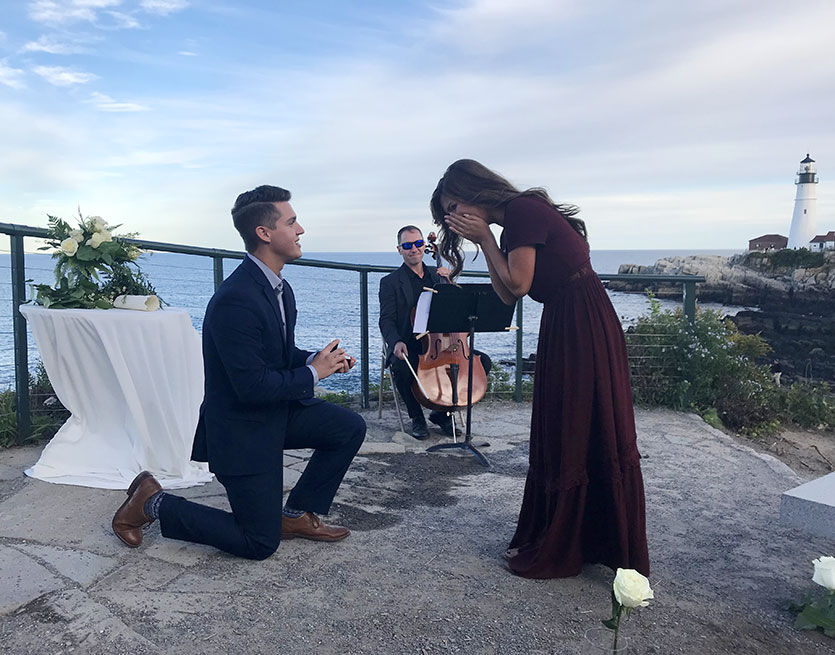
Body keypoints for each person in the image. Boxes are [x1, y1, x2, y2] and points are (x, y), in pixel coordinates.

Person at [112, 185, 366, 560]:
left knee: (348, 427)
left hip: (274, 413)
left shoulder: (280, 288)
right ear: (264, 233)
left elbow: (277, 357)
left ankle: (295, 515)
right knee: (258, 543)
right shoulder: (236, 299)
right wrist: (314, 373)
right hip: (242, 429)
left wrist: (317, 359)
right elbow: (252, 386)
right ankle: (151, 502)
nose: (301, 230)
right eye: (292, 222)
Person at [431, 159, 650, 579]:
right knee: (565, 425)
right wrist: (488, 243)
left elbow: (519, 284)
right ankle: (575, 535)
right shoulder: (512, 224)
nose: (453, 219)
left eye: (454, 207)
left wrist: (486, 239)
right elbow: (508, 295)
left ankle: (591, 541)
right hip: (566, 319)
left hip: (581, 319)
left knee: (582, 423)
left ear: (473, 192)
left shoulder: (523, 212)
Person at [379, 225, 491, 439]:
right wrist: (395, 343)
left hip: (444, 345)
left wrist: (451, 282)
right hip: (409, 343)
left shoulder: (437, 274)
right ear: (399, 249)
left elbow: (458, 309)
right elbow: (386, 320)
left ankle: (442, 414)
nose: (414, 249)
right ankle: (417, 418)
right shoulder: (390, 282)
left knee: (482, 362)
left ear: (424, 246)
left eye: (418, 243)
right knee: (401, 367)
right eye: (407, 245)